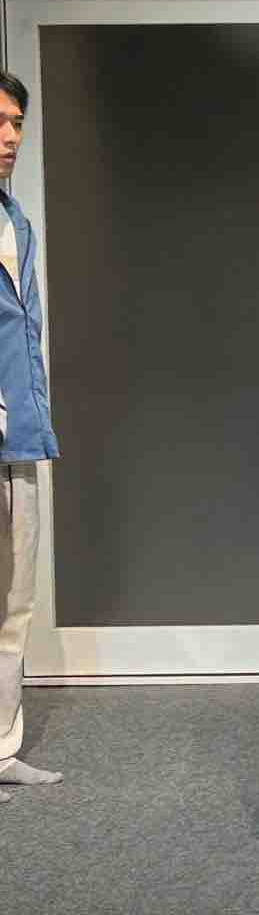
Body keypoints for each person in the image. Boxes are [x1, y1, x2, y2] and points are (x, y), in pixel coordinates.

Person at [0, 70, 63, 804]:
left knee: (15, 602)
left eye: (17, 122)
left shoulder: (16, 223)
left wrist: (37, 417)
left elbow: (28, 332)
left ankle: (3, 746)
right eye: (0, 121)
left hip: (20, 434)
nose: (11, 136)